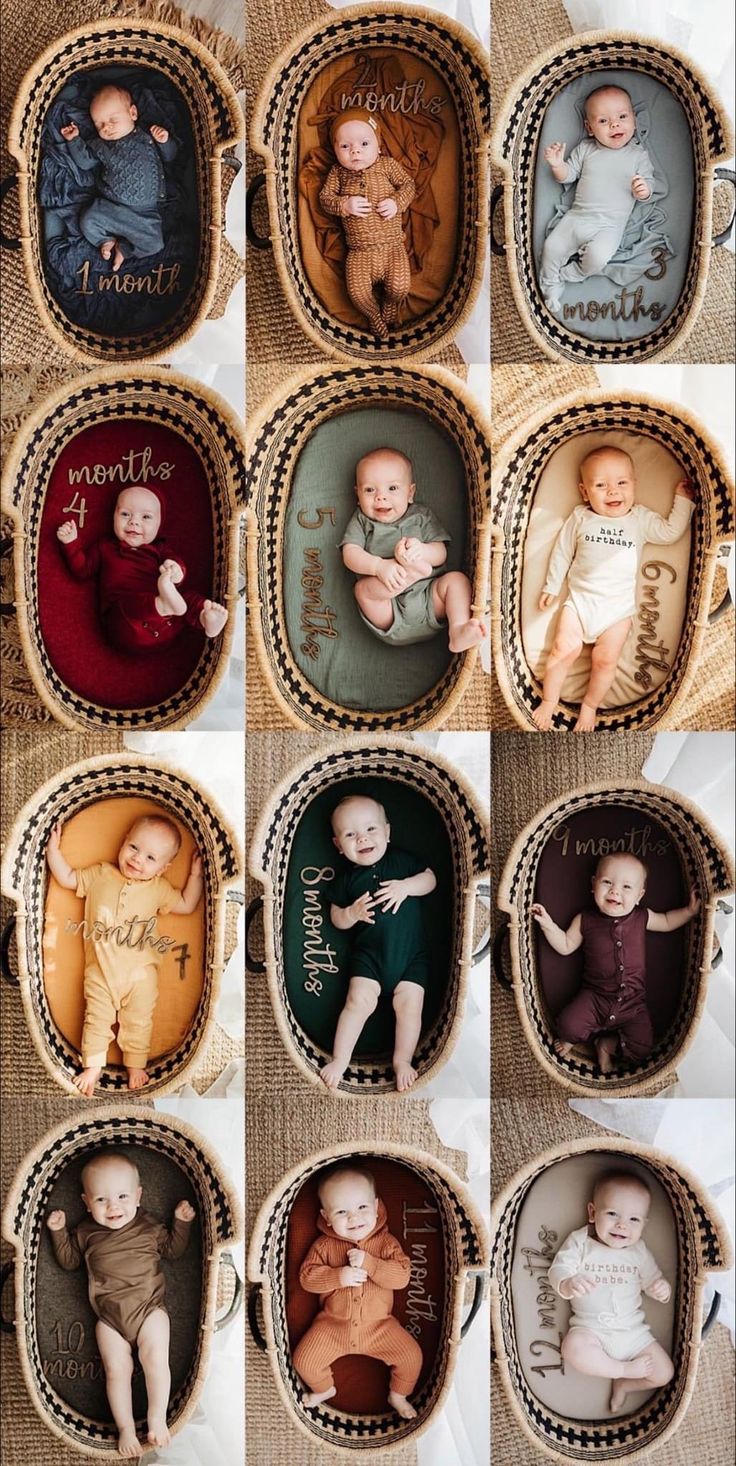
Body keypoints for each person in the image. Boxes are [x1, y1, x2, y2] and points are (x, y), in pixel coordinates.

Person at [533, 446, 693, 731]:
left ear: (634, 485)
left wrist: (683, 500)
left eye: (621, 483)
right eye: (600, 485)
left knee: (606, 661)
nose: (612, 492)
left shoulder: (639, 519)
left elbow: (669, 533)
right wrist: (551, 584)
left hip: (617, 610)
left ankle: (590, 706)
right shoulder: (581, 517)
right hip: (580, 602)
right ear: (585, 492)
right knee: (562, 650)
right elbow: (562, 551)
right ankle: (549, 700)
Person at [47, 1149, 195, 1458]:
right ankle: (126, 1427)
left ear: (139, 1196)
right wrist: (58, 1231)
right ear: (86, 1203)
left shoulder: (149, 1226)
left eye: (123, 1196)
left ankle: (156, 1415)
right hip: (109, 1320)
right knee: (116, 1370)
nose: (113, 1206)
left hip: (149, 1310)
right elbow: (69, 1260)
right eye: (101, 1200)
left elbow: (173, 1250)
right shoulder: (86, 1233)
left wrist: (181, 1223)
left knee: (155, 1358)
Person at [46, 812, 203, 1093]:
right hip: (101, 974)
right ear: (123, 842)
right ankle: (93, 1065)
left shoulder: (159, 889)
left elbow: (187, 904)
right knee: (95, 1018)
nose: (137, 859)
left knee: (139, 1020)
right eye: (134, 848)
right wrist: (53, 851)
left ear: (164, 868)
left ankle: (135, 1064)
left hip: (140, 975)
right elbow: (67, 877)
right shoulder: (101, 874)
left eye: (150, 858)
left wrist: (195, 875)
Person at [532, 852, 699, 1071]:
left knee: (642, 1048)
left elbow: (667, 921)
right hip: (595, 997)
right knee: (566, 1027)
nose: (615, 891)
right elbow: (565, 945)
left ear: (640, 895)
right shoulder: (585, 919)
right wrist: (548, 925)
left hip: (633, 1003)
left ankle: (607, 1045)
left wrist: (689, 911)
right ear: (594, 884)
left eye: (627, 887)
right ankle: (576, 1038)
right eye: (607, 882)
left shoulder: (641, 917)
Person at [321, 794, 436, 1092]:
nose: (362, 838)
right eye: (350, 834)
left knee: (410, 1006)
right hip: (369, 959)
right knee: (357, 1002)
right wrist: (351, 913)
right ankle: (340, 1059)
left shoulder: (401, 861)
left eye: (371, 829)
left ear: (387, 831)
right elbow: (335, 917)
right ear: (338, 845)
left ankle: (402, 1060)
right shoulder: (347, 879)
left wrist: (406, 887)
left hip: (411, 958)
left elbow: (430, 879)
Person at [293, 1165, 422, 1420]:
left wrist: (370, 1264)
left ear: (376, 1206)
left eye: (362, 1207)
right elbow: (307, 1278)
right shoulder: (325, 1246)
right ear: (326, 1217)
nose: (354, 1218)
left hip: (380, 1327)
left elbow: (402, 1277)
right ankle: (325, 1389)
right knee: (303, 1361)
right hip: (332, 1326)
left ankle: (397, 1395)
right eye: (341, 1211)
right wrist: (337, 1276)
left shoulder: (386, 1243)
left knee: (411, 1356)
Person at [548, 1169, 674, 1413]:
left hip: (633, 1333)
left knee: (664, 1373)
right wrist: (568, 1282)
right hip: (591, 1330)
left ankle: (624, 1385)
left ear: (643, 1225)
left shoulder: (639, 1251)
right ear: (593, 1213)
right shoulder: (581, 1241)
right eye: (613, 1214)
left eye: (634, 1220)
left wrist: (662, 1289)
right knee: (572, 1348)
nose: (622, 1225)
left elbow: (653, 1281)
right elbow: (559, 1268)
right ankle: (621, 1370)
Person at [341, 445, 486, 653]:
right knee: (363, 591)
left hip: (430, 597)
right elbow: (350, 554)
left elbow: (441, 552)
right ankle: (410, 573)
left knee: (457, 580)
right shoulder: (362, 521)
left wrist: (423, 551)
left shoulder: (421, 516)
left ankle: (458, 630)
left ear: (410, 493)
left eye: (392, 488)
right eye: (370, 490)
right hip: (389, 610)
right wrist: (379, 567)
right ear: (358, 494)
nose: (380, 497)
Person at [57, 483, 228, 651]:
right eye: (125, 514)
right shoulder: (105, 546)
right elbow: (82, 570)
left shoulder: (159, 549)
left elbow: (179, 568)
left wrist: (175, 571)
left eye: (145, 517)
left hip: (167, 626)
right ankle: (162, 604)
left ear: (159, 524)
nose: (134, 522)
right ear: (113, 516)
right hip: (124, 626)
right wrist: (71, 543)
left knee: (187, 599)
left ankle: (205, 618)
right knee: (126, 607)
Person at [539, 84, 656, 314]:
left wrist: (644, 189)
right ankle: (550, 285)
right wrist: (557, 165)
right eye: (603, 121)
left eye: (622, 116)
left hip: (610, 225)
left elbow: (649, 184)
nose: (614, 124)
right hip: (578, 216)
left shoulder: (638, 155)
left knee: (598, 258)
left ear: (634, 119)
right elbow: (568, 177)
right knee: (551, 248)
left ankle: (573, 273)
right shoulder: (586, 148)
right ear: (589, 128)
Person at [319, 108, 415, 339]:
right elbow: (325, 199)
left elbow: (408, 185)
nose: (355, 151)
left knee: (400, 287)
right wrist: (345, 205)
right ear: (335, 150)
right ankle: (373, 315)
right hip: (359, 251)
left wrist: (396, 202)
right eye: (345, 146)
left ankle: (391, 304)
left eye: (364, 143)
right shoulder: (338, 173)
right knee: (358, 294)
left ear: (378, 146)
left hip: (392, 246)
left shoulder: (387, 166)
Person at [60, 84, 177, 273]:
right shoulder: (101, 145)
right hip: (112, 207)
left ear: (133, 113)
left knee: (155, 245)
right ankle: (106, 240)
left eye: (113, 119)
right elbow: (85, 163)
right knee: (87, 219)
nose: (106, 127)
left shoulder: (147, 136)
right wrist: (73, 140)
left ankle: (124, 249)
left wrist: (164, 141)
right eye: (99, 124)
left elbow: (171, 156)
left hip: (146, 213)